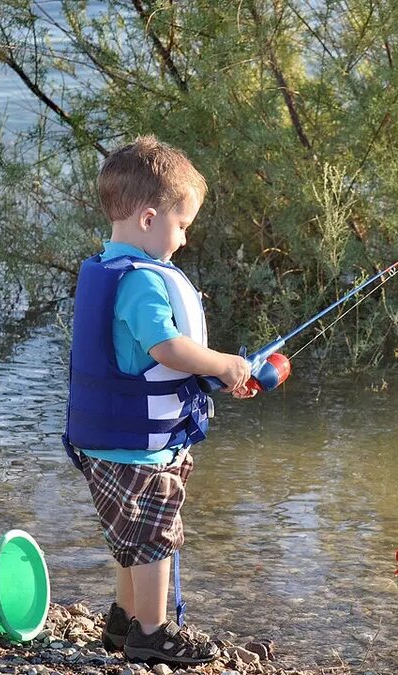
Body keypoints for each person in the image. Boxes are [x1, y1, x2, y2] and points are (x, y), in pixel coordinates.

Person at [62, 136, 252, 665]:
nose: (185, 239)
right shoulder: (143, 283)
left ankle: (123, 622)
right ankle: (152, 633)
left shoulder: (110, 267)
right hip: (137, 451)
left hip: (111, 444)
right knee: (155, 539)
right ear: (149, 218)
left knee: (131, 537)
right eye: (183, 224)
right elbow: (165, 347)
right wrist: (222, 364)